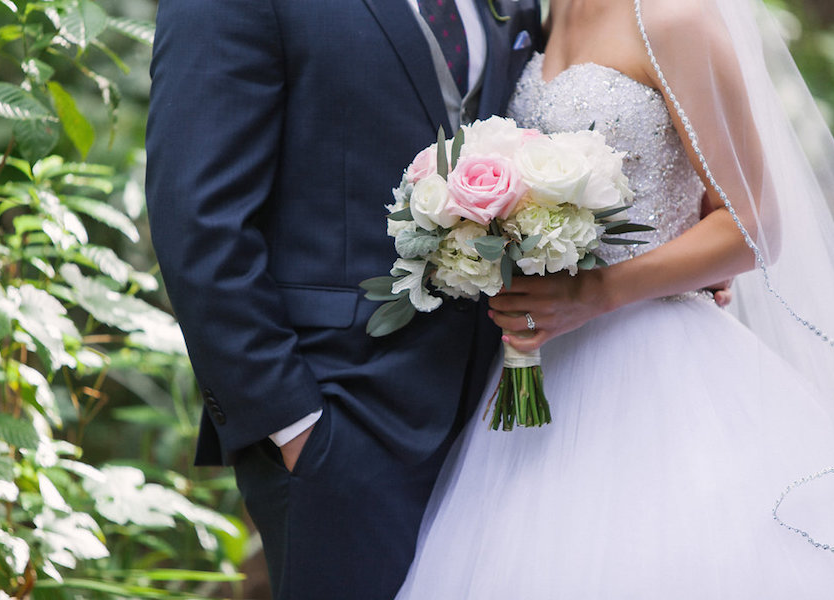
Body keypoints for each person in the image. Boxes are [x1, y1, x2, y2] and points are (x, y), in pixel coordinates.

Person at [395, 0, 834, 597]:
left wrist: (594, 292)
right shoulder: (546, 12)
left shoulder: (675, 18)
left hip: (659, 366)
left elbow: (753, 225)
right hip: (544, 363)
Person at [144, 1, 543, 598]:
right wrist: (293, 424)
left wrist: (664, 262)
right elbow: (198, 219)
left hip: (505, 422)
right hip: (339, 418)